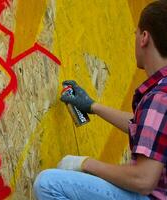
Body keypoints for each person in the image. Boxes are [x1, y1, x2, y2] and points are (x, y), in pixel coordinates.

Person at [33, 1, 167, 199]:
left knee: (48, 184)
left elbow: (143, 180)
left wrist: (85, 163)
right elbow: (143, 128)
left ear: (144, 38)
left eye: (135, 33)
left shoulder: (159, 97)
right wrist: (92, 106)